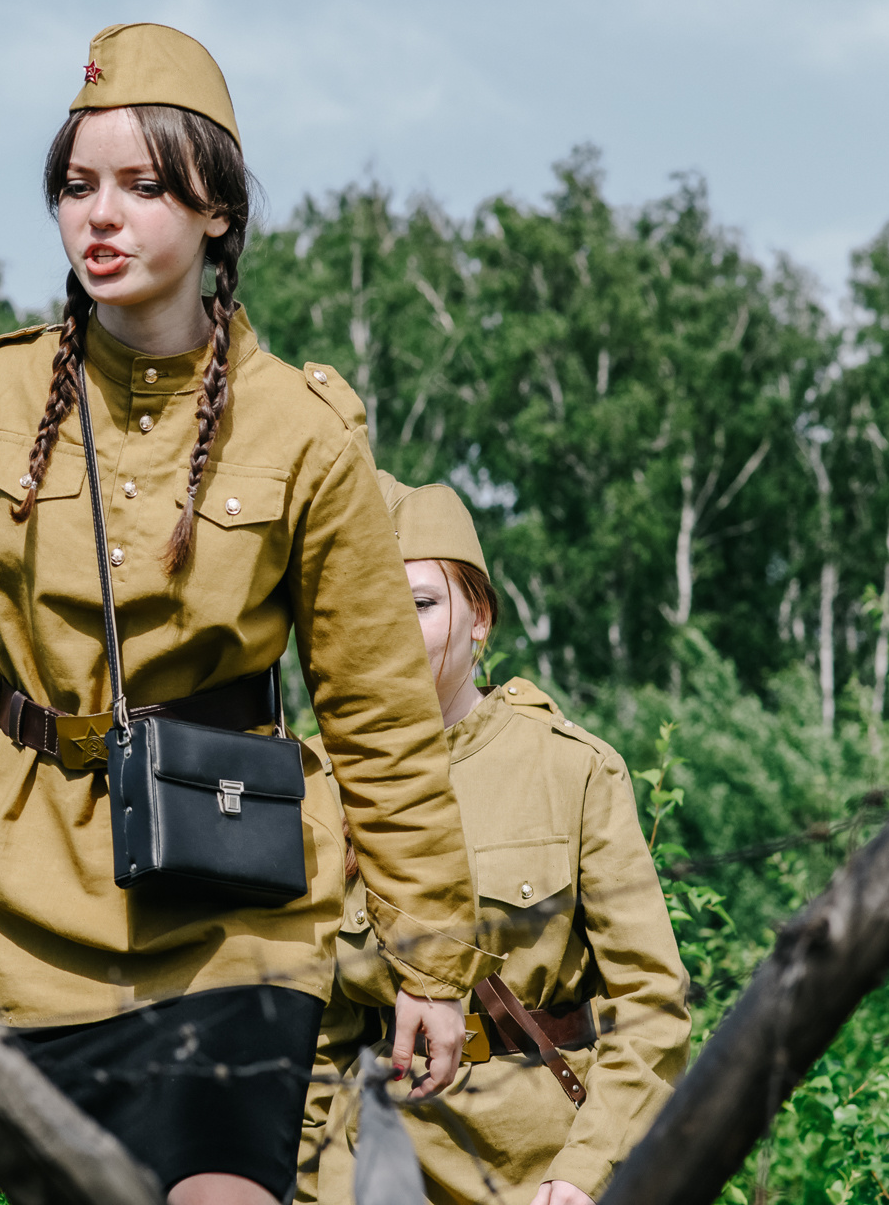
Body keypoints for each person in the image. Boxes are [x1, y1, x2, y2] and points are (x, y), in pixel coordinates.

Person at [0, 24, 496, 1205]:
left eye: (143, 186)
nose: (104, 214)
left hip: (239, 911)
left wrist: (432, 959)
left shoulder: (303, 427)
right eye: (78, 186)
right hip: (34, 919)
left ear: (216, 212)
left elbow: (381, 716)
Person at [295, 477, 690, 1205]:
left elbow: (651, 1004)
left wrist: (586, 1170)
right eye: (371, 606)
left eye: (420, 604)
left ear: (478, 617)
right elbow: (315, 1029)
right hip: (373, 1162)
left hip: (535, 1166)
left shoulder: (570, 768)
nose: (394, 629)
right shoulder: (319, 782)